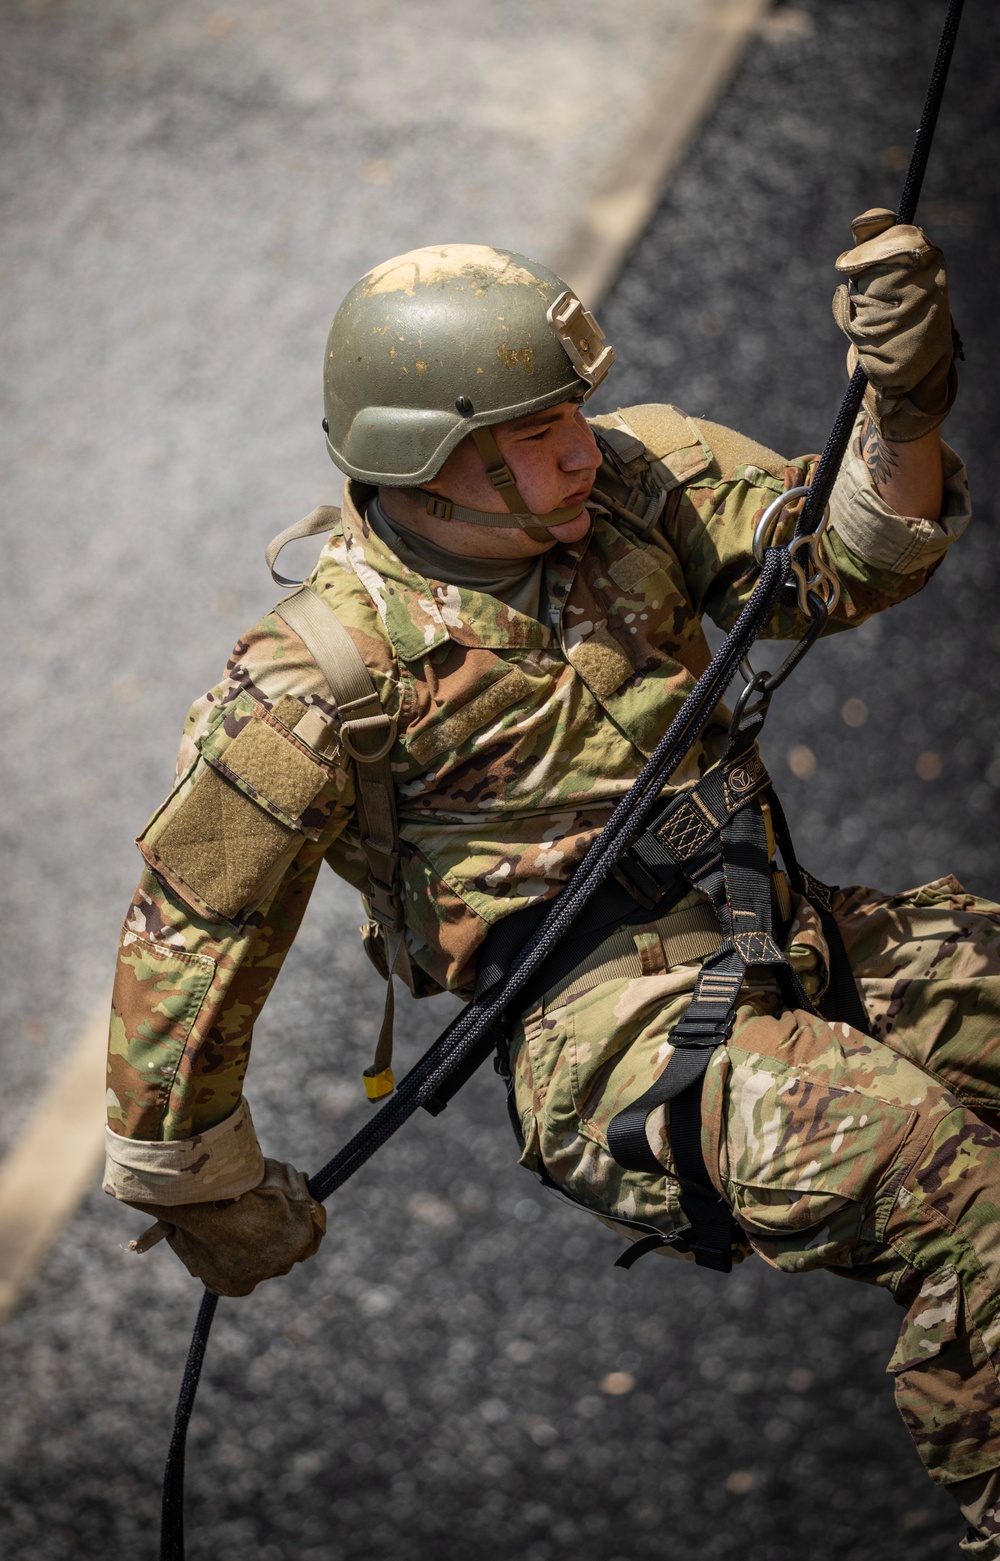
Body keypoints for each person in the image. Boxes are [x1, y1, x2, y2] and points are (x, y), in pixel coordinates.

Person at [103, 222, 1000, 1555]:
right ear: (419, 464)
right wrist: (205, 1191)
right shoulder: (317, 683)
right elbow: (194, 933)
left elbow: (850, 560)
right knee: (953, 1194)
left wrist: (903, 403)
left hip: (786, 931)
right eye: (525, 436)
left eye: (572, 409)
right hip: (615, 1044)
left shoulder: (638, 485)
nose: (578, 446)